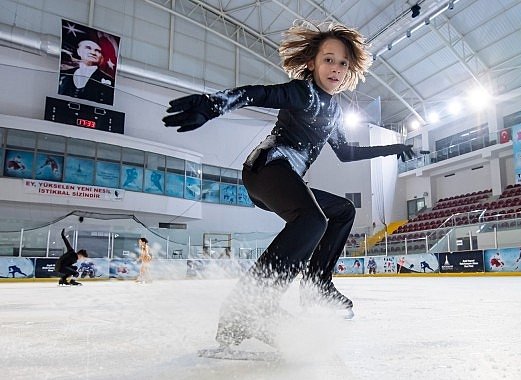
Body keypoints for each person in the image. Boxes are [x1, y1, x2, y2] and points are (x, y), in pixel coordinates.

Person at [163, 21, 415, 349]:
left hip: (284, 179)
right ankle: (247, 308)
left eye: (342, 63)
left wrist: (393, 147)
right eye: (328, 59)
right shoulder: (303, 92)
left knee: (341, 211)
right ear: (312, 62)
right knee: (313, 220)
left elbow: (347, 152)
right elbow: (257, 93)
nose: (336, 69)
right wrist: (214, 105)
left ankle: (315, 286)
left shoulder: (333, 109)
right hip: (266, 168)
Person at [58, 39, 114, 104]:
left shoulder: (110, 82)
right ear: (78, 51)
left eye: (97, 51)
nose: (93, 53)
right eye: (88, 48)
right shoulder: (64, 75)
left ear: (101, 56)